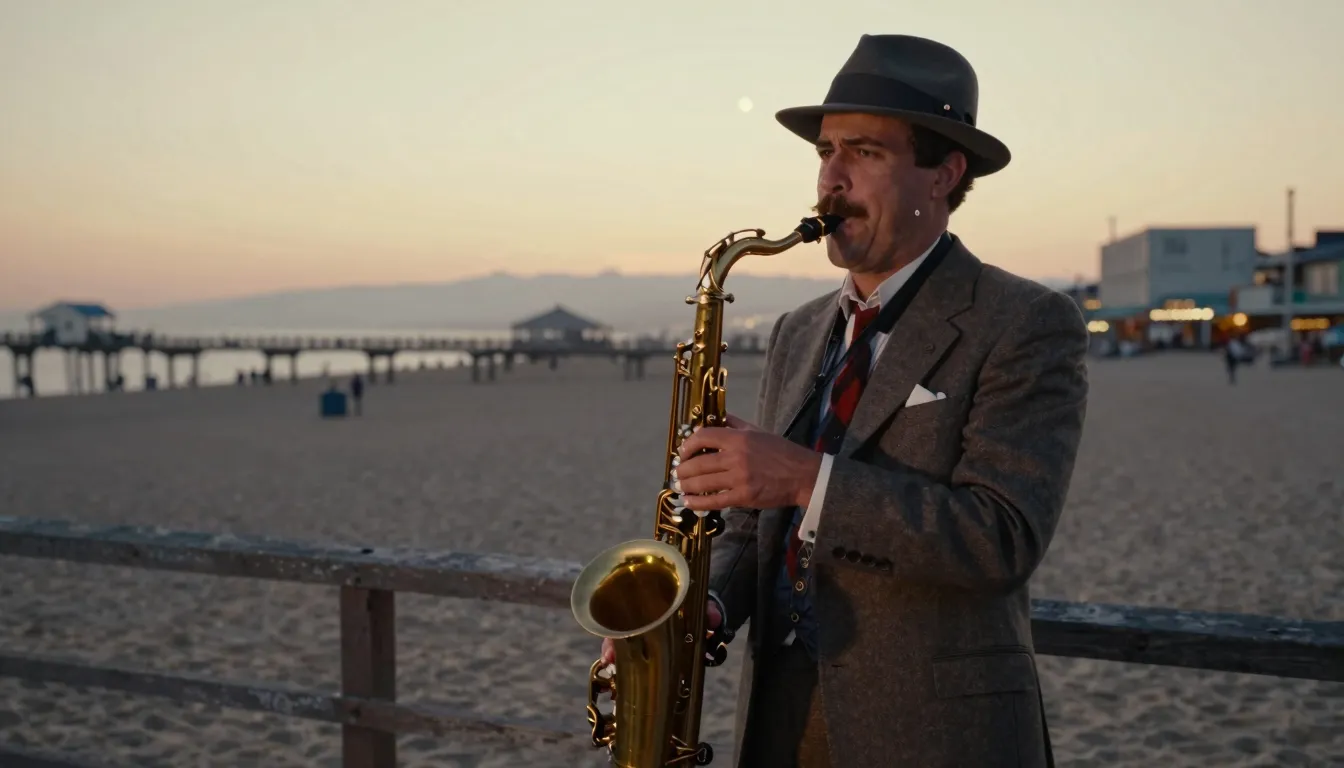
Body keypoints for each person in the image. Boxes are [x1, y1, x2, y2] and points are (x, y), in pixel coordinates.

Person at [607, 34, 1090, 767]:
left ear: (944, 174)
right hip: (779, 723)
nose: (831, 179)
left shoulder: (1025, 322)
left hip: (934, 735)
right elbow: (759, 522)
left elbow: (1000, 539)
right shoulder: (797, 330)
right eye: (826, 151)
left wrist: (805, 477)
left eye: (865, 152)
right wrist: (707, 602)